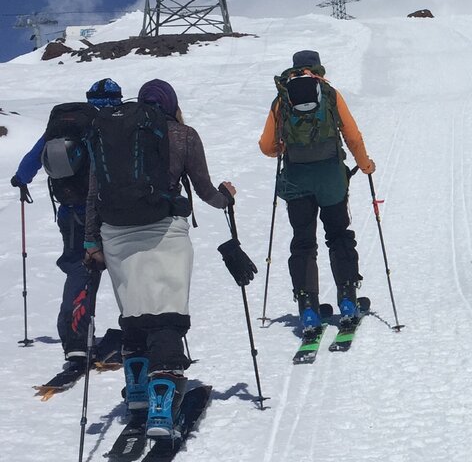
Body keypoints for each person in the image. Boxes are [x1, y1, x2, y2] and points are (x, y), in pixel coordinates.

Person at [84, 79, 236, 438]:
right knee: (166, 312)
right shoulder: (184, 135)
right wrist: (226, 198)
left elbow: (94, 192)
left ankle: (137, 390)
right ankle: (161, 400)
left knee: (134, 311)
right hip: (164, 231)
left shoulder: (111, 136)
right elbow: (204, 190)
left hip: (115, 233)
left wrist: (91, 240)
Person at [9, 78, 123, 374]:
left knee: (79, 270)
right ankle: (140, 332)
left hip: (70, 212)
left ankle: (76, 340)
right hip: (109, 211)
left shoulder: (64, 124)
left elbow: (34, 157)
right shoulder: (109, 122)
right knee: (127, 269)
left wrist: (21, 179)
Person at [258, 49, 375, 327]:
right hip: (331, 179)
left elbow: (266, 146)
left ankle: (307, 307)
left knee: (303, 241)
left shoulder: (282, 97)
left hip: (297, 180)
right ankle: (347, 299)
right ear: (318, 68)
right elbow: (352, 135)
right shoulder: (329, 93)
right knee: (338, 235)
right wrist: (365, 164)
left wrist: (284, 148)